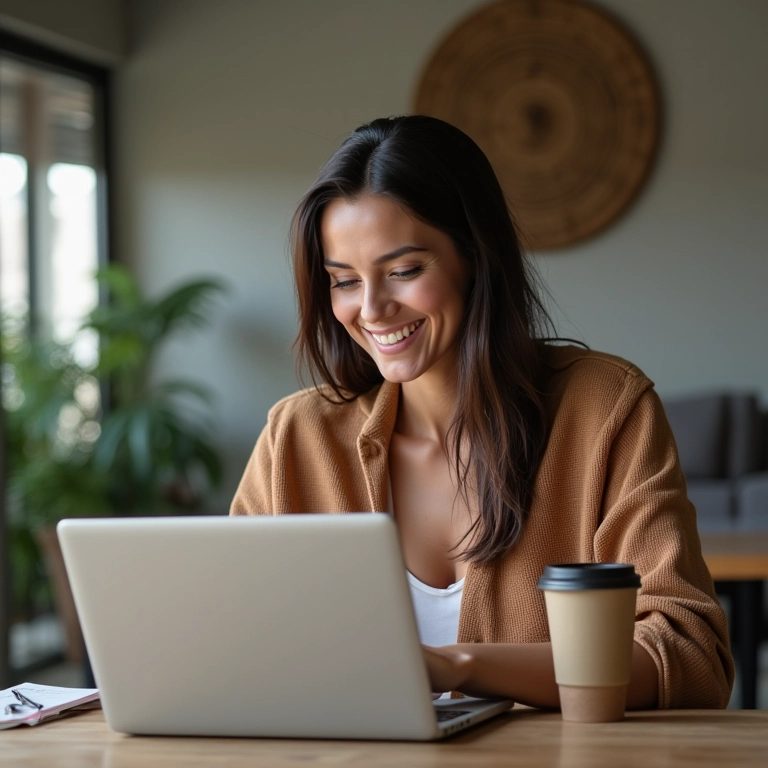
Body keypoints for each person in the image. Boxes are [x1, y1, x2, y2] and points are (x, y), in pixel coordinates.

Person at [231, 115, 733, 710]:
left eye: (405, 271)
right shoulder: (298, 437)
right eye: (343, 281)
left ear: (475, 256)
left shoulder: (604, 409)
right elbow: (235, 643)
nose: (371, 309)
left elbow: (688, 653)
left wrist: (454, 665)